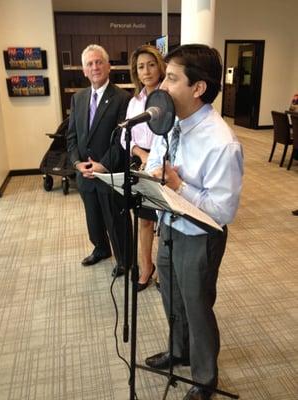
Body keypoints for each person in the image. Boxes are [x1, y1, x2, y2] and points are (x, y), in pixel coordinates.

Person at [144, 44, 244, 400]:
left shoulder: (222, 143)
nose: (162, 85)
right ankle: (179, 350)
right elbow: (157, 160)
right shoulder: (172, 124)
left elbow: (223, 211)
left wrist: (178, 185)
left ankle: (205, 379)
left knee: (197, 306)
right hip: (169, 225)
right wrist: (153, 174)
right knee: (171, 296)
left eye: (171, 78)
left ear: (198, 88)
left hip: (200, 235)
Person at [67, 44, 132, 277]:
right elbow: (72, 135)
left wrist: (103, 164)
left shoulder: (123, 99)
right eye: (89, 64)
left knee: (115, 220)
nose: (94, 67)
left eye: (98, 62)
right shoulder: (78, 98)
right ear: (84, 70)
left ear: (108, 66)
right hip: (84, 173)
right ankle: (101, 248)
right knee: (93, 217)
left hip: (109, 171)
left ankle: (125, 260)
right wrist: (76, 163)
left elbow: (123, 141)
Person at [121, 45, 166, 291]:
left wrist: (155, 158)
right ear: (135, 72)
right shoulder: (134, 102)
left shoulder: (168, 98)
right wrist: (140, 153)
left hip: (164, 167)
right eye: (141, 66)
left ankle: (164, 269)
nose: (146, 71)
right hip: (140, 164)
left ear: (160, 66)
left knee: (166, 222)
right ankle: (146, 266)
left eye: (151, 64)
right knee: (145, 221)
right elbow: (124, 137)